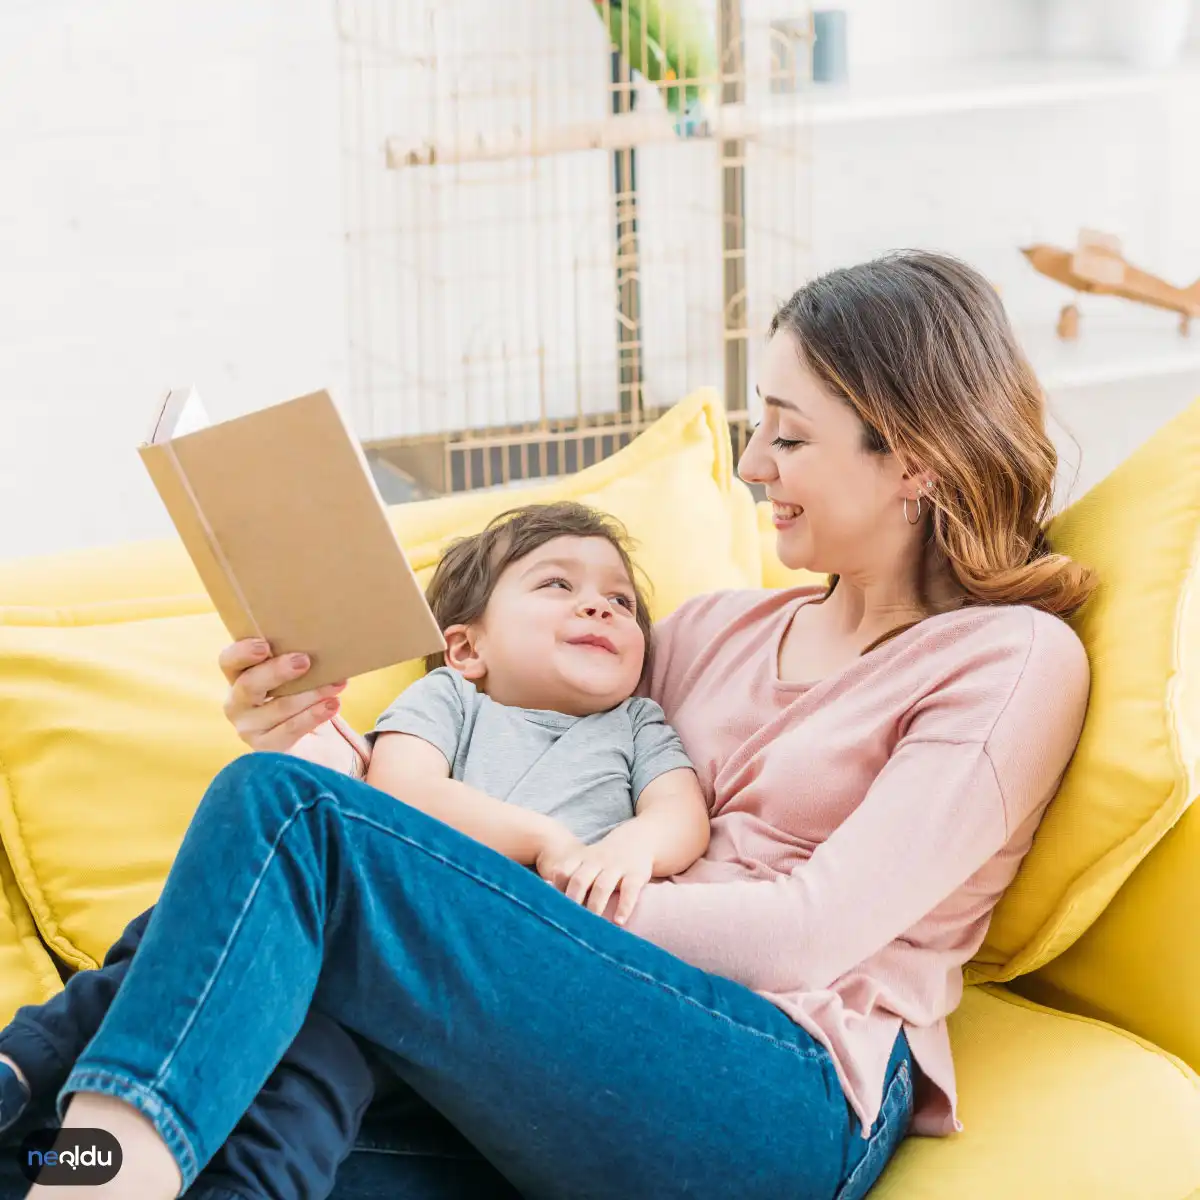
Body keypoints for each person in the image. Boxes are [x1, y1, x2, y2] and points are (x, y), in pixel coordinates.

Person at [31, 251, 1095, 1200]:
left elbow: (805, 932)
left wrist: (485, 904)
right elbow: (491, 790)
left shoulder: (1007, 661)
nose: (752, 465)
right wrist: (304, 728)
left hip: (779, 1090)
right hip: (578, 1070)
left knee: (287, 823)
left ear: (911, 460)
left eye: (789, 433)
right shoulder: (705, 634)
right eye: (756, 425)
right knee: (168, 1105)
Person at [3, 502, 708, 1199]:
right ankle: (36, 1068)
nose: (600, 608)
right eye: (559, 586)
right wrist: (546, 838)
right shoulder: (450, 701)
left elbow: (681, 811)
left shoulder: (637, 723)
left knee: (278, 945)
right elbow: (402, 792)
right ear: (466, 650)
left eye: (621, 600)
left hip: (488, 993)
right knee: (235, 951)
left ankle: (44, 1080)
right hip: (367, 970)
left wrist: (634, 846)